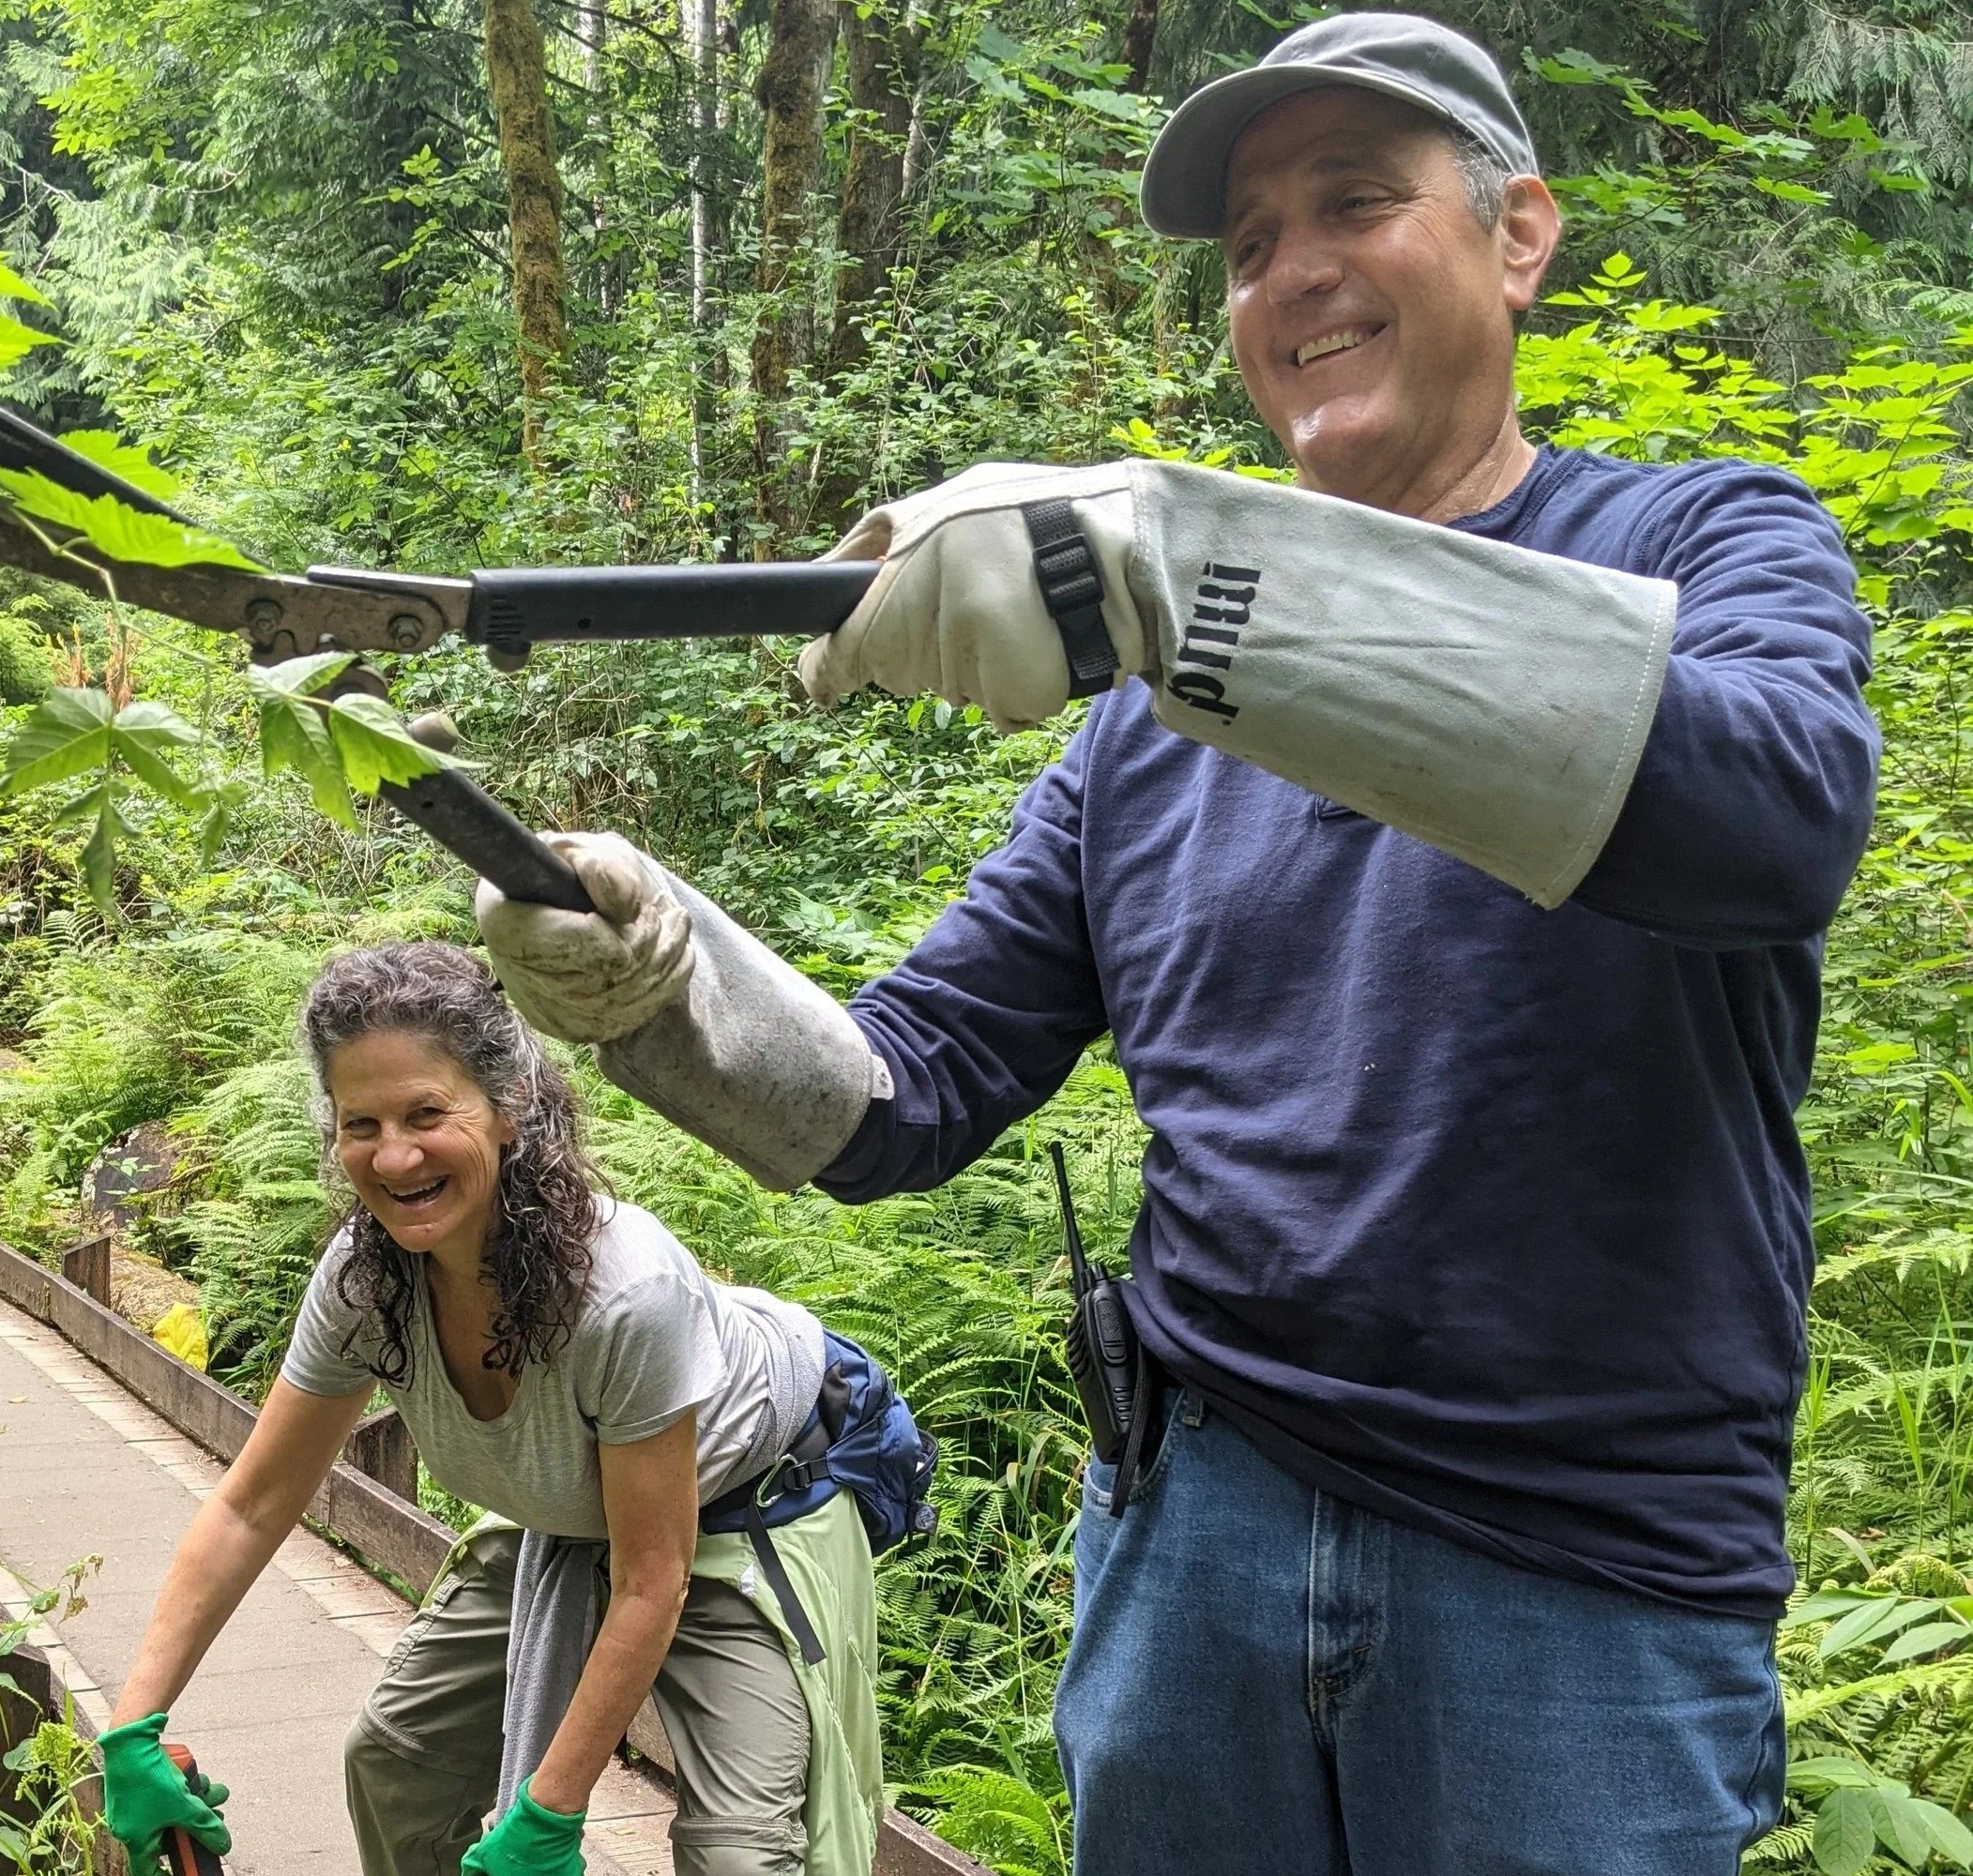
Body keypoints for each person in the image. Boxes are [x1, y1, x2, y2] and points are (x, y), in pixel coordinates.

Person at [471, 13, 1880, 1875]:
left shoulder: (1695, 543)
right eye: (1244, 246)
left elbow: (1767, 816)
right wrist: (660, 983)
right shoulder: (1147, 724)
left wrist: (1176, 576)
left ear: (1516, 234)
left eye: (1353, 202)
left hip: (1579, 1576)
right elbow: (909, 1089)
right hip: (1188, 1535)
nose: (1290, 269)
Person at [93, 941, 886, 1876]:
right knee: (396, 1762)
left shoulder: (620, 1291)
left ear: (508, 1107)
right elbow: (253, 1502)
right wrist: (132, 1725)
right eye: (362, 1123)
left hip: (745, 1506)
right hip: (568, 1513)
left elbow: (650, 1577)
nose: (393, 1154)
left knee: (739, 1857)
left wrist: (546, 1817)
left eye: (427, 1112)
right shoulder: (364, 1278)